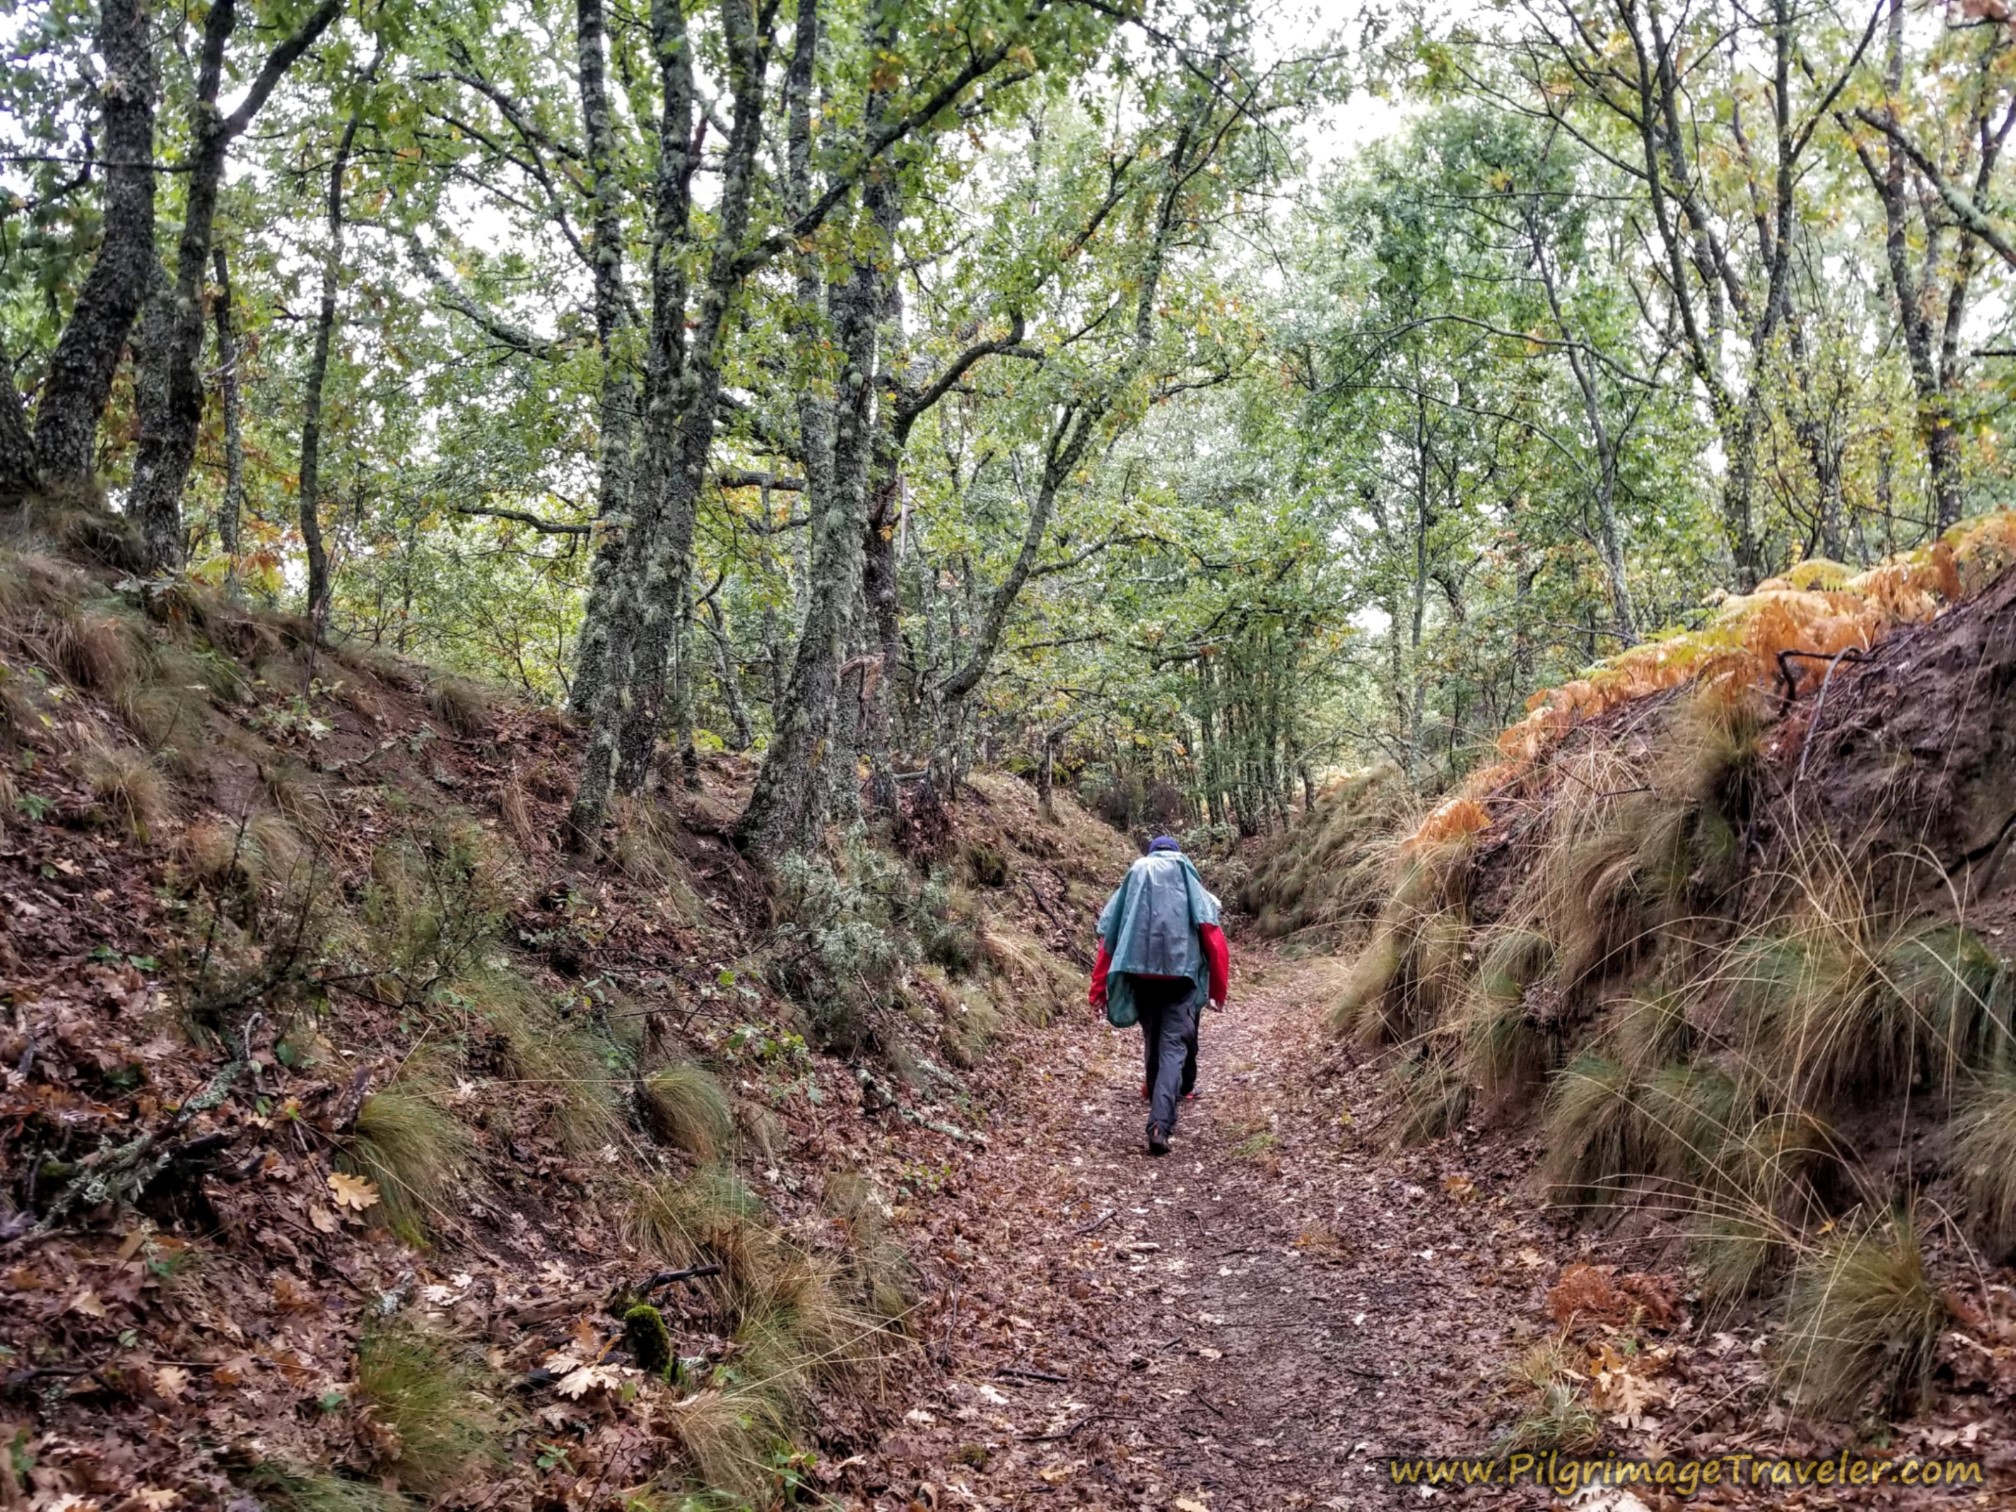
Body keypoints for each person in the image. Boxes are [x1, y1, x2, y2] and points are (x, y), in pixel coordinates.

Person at [1088, 836, 1230, 1156]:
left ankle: (1157, 1108)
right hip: (1181, 978)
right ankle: (1159, 1124)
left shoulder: (1136, 874)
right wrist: (1218, 990)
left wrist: (1098, 989)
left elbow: (1109, 937)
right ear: (1176, 853)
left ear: (1152, 853)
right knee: (1173, 1049)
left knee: (1153, 1042)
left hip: (1142, 977)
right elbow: (1213, 936)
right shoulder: (1186, 875)